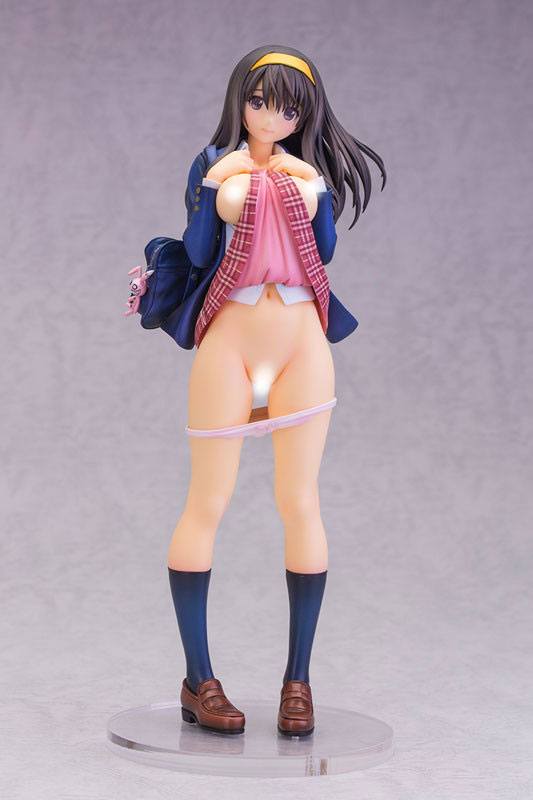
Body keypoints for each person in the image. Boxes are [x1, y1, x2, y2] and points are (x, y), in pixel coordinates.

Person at [167, 45, 386, 737]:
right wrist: (216, 186)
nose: (270, 117)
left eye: (288, 107)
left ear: (304, 115)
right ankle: (199, 680)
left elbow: (323, 252)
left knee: (300, 500)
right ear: (240, 100)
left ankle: (299, 681)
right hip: (230, 338)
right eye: (260, 101)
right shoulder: (214, 164)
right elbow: (197, 251)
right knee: (208, 500)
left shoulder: (305, 172)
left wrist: (310, 188)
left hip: (299, 340)